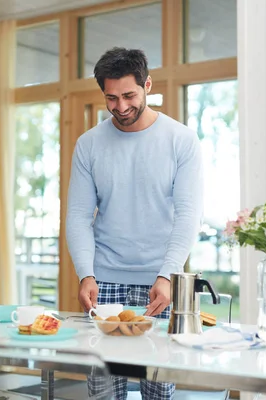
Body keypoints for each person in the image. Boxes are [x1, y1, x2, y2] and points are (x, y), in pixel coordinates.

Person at [66, 47, 203, 400]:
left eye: (129, 95)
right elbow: (79, 216)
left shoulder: (181, 140)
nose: (121, 106)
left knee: (158, 392)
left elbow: (188, 214)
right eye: (111, 98)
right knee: (103, 394)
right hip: (104, 282)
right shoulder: (88, 145)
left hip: (160, 286)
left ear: (148, 85)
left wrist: (168, 274)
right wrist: (85, 273)